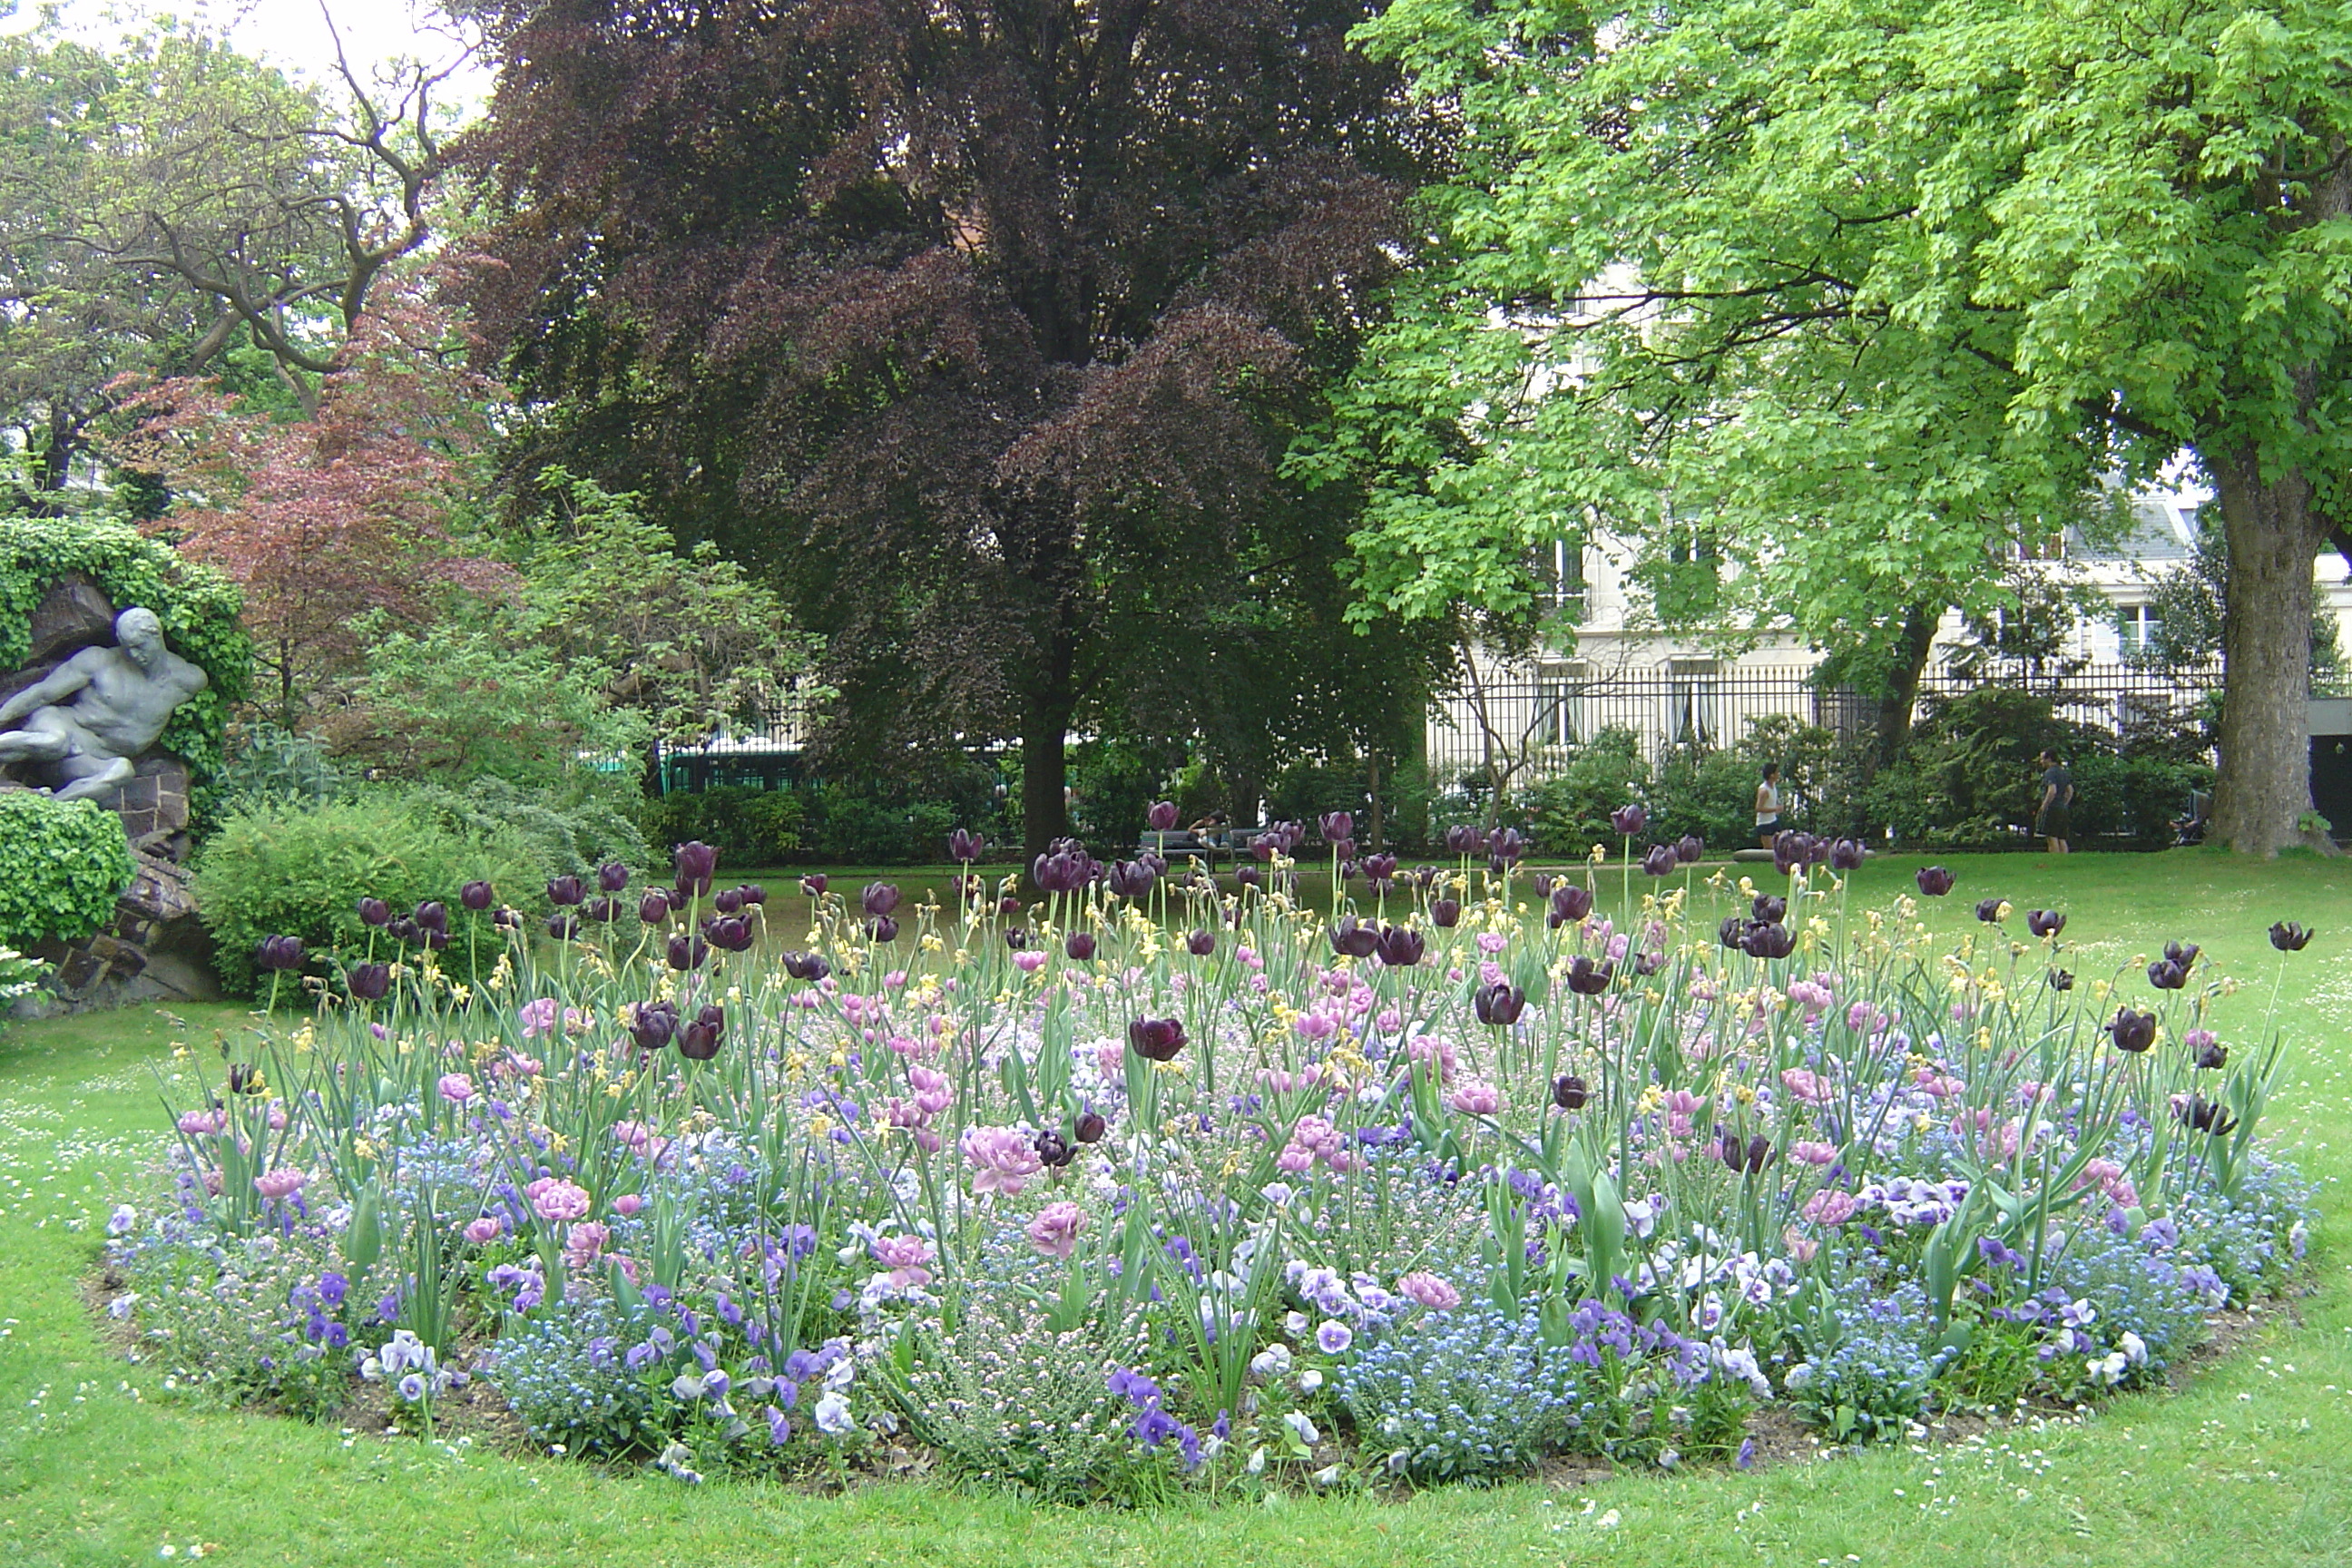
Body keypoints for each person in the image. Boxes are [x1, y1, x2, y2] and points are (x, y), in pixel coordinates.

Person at [0, 607, 208, 802]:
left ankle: (51, 806)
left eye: (139, 646)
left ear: (156, 635)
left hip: (90, 756)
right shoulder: (100, 660)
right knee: (54, 741)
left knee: (122, 770)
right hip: (62, 725)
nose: (134, 655)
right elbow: (42, 694)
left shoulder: (189, 681)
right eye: (128, 647)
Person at [2034, 749, 2074, 854]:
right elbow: (2070, 790)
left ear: (2049, 759)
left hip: (2052, 808)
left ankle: (2054, 861)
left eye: (2042, 759)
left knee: (2052, 837)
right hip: (2062, 808)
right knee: (2062, 838)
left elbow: (2052, 790)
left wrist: (2045, 805)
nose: (2041, 762)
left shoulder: (2050, 773)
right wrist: (2065, 803)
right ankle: (2064, 862)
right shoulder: (2062, 772)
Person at [1754, 762, 1783, 848]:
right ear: (1771, 775)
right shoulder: (1764, 790)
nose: (1779, 774)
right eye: (1777, 772)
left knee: (1780, 845)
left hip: (1773, 820)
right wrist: (1775, 809)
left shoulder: (1773, 786)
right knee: (1769, 850)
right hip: (1764, 823)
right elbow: (1758, 808)